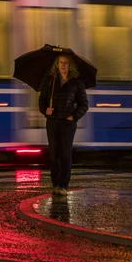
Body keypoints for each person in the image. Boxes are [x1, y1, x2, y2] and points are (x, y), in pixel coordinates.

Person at [39, 54, 88, 197]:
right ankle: (55, 184)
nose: (63, 65)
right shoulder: (50, 81)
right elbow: (42, 100)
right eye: (61, 62)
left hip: (68, 124)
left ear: (70, 65)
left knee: (65, 154)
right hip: (52, 122)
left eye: (66, 63)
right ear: (57, 64)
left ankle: (63, 186)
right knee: (54, 155)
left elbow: (84, 105)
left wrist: (74, 116)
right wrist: (44, 110)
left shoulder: (76, 83)